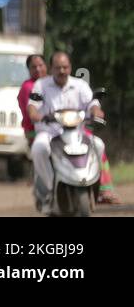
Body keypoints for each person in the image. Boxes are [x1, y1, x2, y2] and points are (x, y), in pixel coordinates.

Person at [28, 52, 107, 213]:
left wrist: (95, 111)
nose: (62, 71)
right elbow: (33, 106)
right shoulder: (41, 85)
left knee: (98, 145)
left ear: (70, 67)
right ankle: (49, 188)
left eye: (65, 67)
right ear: (51, 68)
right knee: (39, 148)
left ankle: (92, 184)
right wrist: (37, 115)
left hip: (76, 133)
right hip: (50, 133)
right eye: (58, 68)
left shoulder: (80, 85)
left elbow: (92, 103)